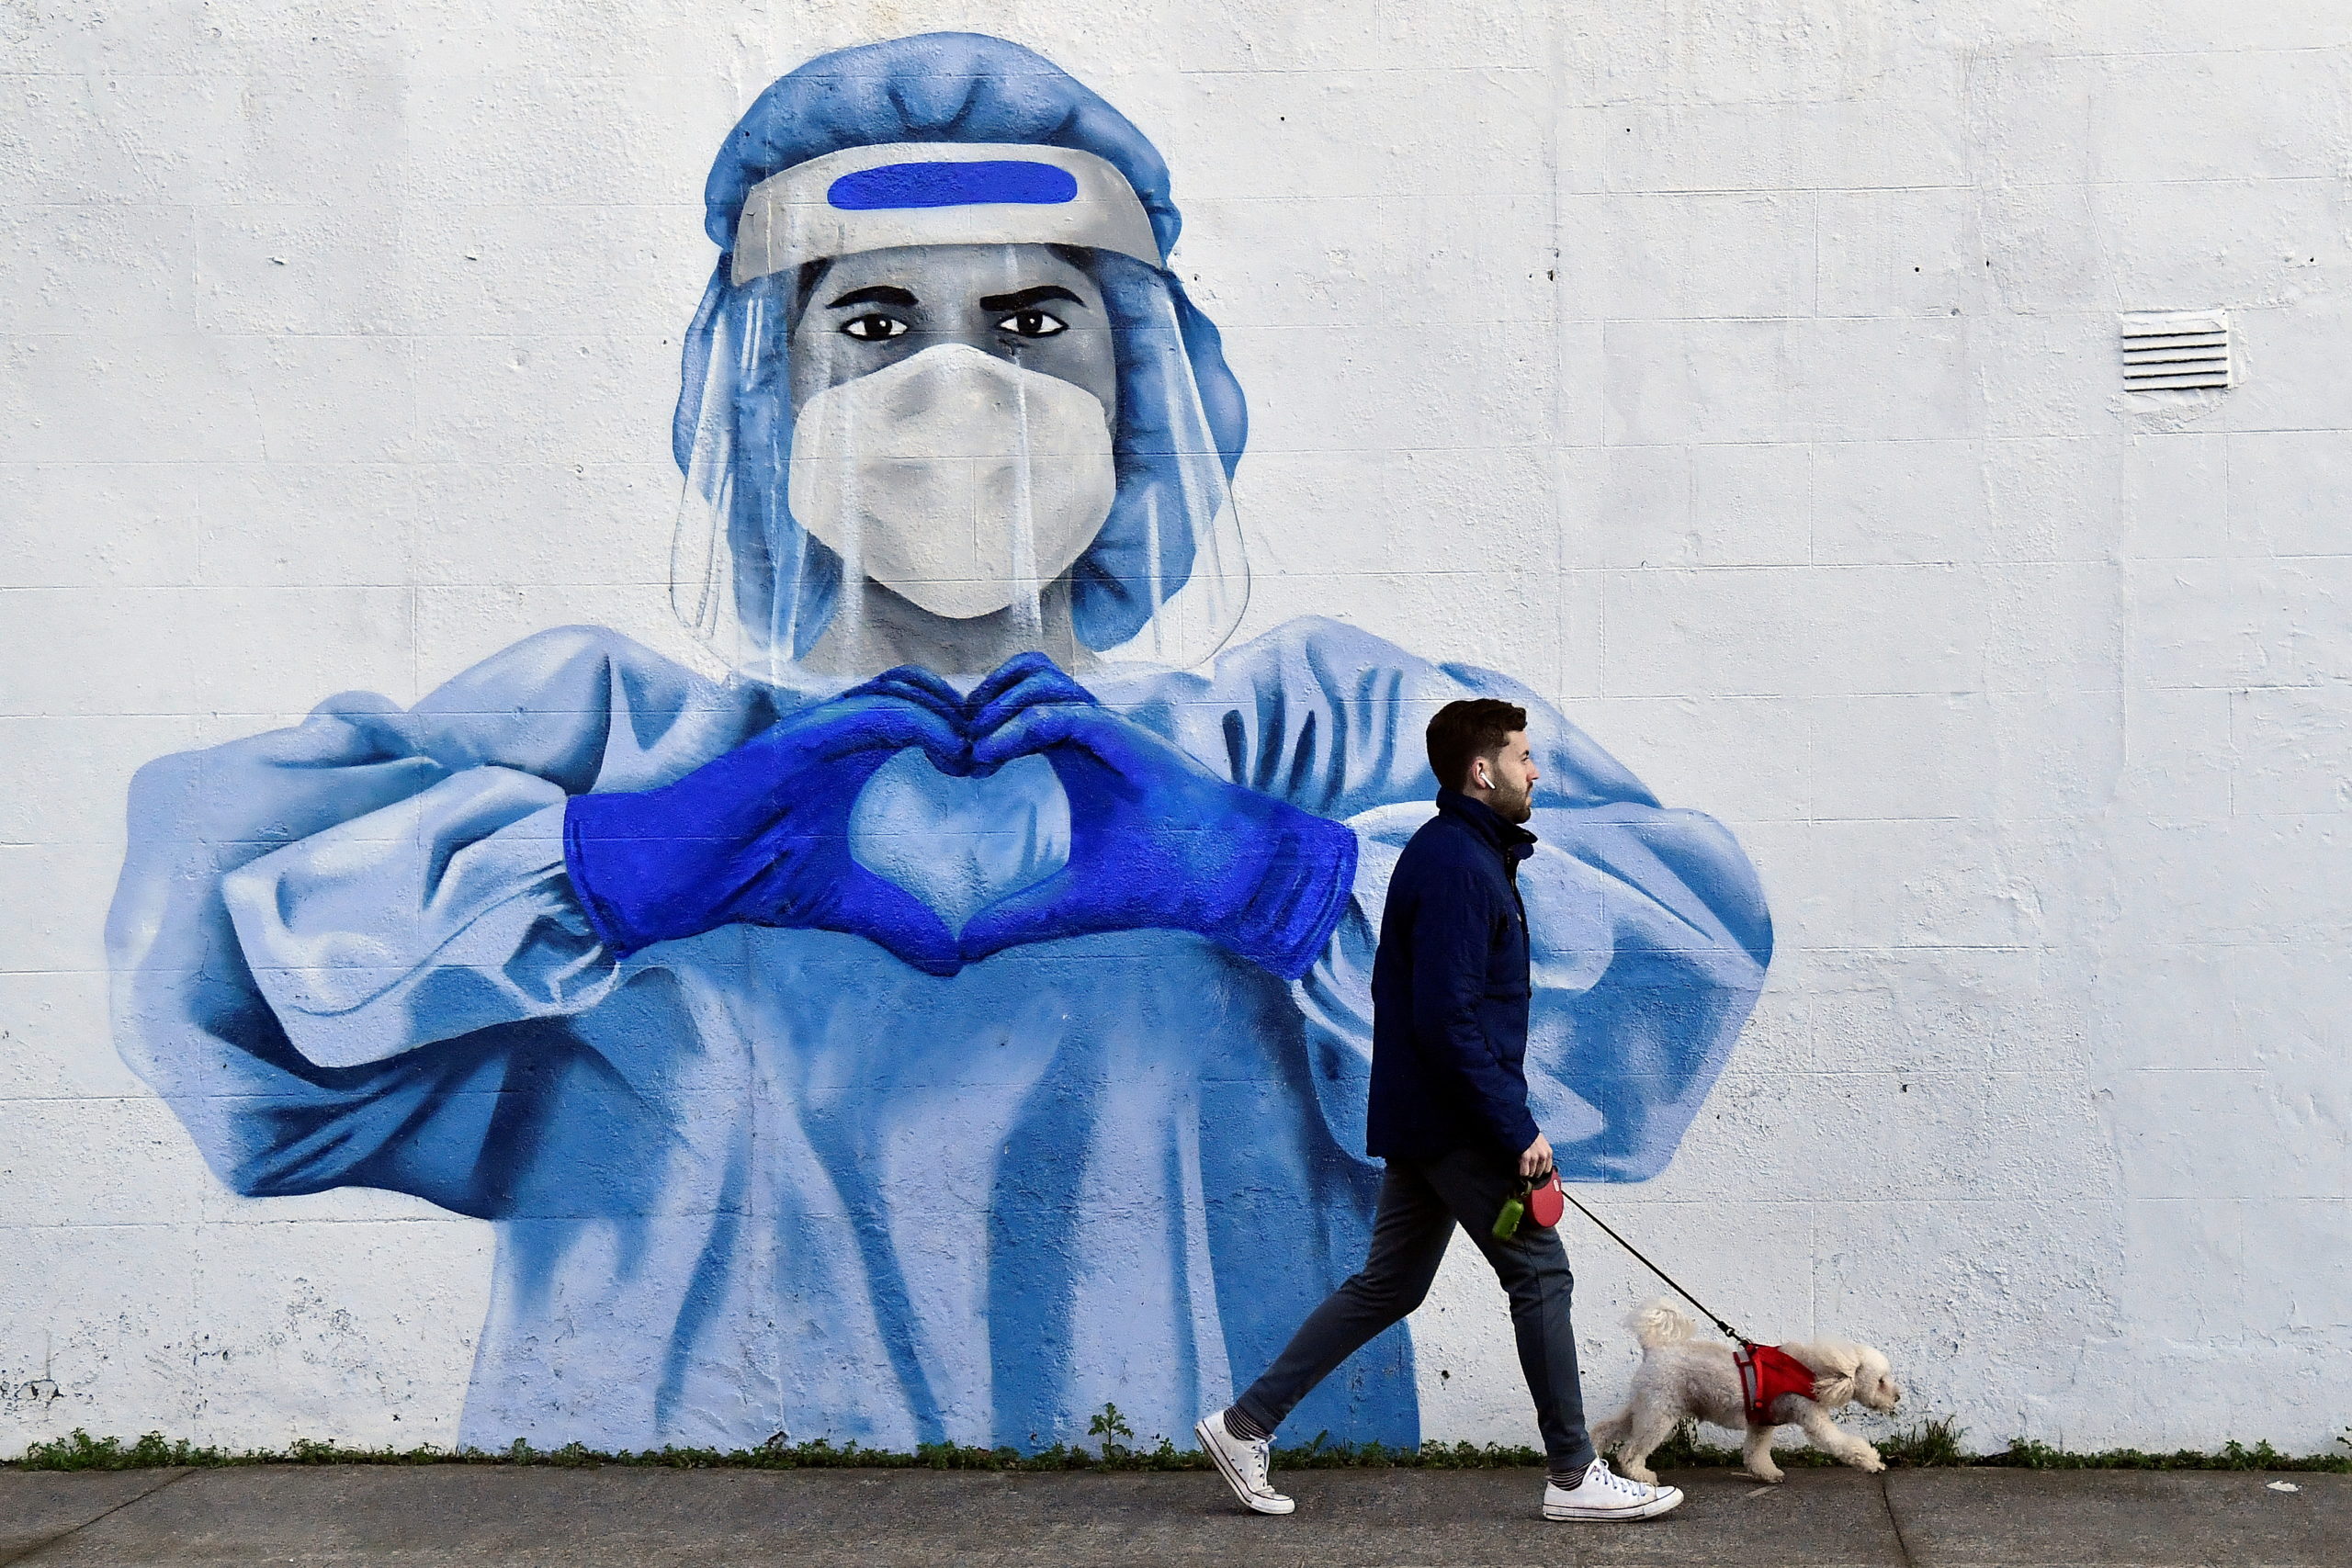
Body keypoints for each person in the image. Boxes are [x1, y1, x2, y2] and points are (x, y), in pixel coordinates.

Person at [107, 33, 1770, 1456]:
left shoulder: (1297, 734)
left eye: (1038, 325)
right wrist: (599, 866)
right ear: (766, 394)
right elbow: (212, 975)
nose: (961, 393)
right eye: (876, 324)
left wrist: (1296, 875)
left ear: (1146, 390)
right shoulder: (613, 742)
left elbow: (1675, 959)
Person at [1198, 700, 1684, 1521]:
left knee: (1388, 1284)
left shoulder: (1460, 853)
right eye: (1524, 757)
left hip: (1430, 1114)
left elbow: (1434, 1008)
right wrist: (1515, 1126)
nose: (1537, 771)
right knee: (1538, 1271)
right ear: (1481, 770)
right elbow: (1447, 1017)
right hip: (1458, 1118)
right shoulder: (1460, 864)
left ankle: (1245, 1426)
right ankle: (1573, 1474)